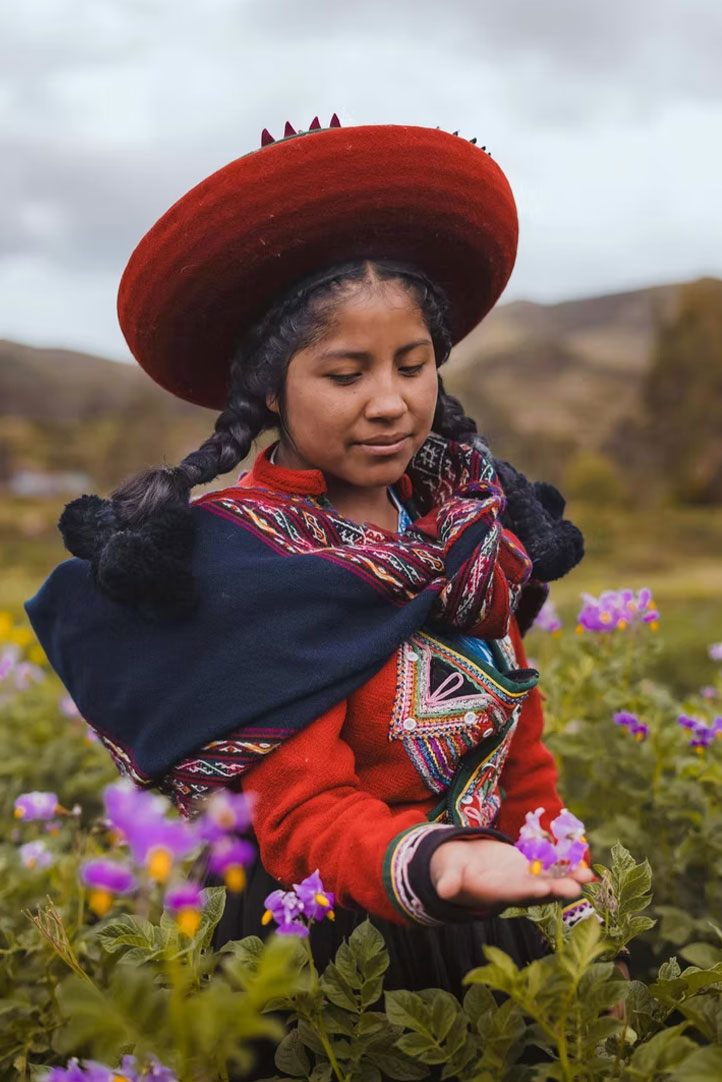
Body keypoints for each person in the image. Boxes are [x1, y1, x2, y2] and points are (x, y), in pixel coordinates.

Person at [25, 118, 592, 1002]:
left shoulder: (468, 530)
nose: (390, 404)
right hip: (336, 946)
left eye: (412, 365)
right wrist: (439, 863)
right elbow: (299, 813)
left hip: (495, 904)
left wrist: (561, 880)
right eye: (345, 374)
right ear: (267, 387)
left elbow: (517, 740)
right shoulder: (244, 567)